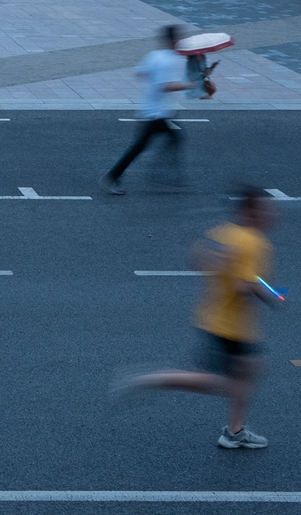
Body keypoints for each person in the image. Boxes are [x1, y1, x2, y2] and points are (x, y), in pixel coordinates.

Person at [112, 188, 281, 448]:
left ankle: (235, 430)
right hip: (233, 326)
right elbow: (245, 285)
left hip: (211, 316)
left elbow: (196, 259)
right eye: (266, 209)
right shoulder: (254, 242)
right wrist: (275, 295)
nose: (272, 214)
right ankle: (147, 380)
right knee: (224, 381)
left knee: (250, 371)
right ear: (251, 212)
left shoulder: (222, 233)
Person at [100, 25, 191, 195]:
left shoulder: (155, 56)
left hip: (150, 110)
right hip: (159, 113)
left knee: (153, 143)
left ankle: (118, 176)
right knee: (166, 141)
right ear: (173, 40)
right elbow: (166, 87)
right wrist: (189, 85)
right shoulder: (170, 60)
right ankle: (156, 176)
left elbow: (139, 73)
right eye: (179, 38)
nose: (181, 41)